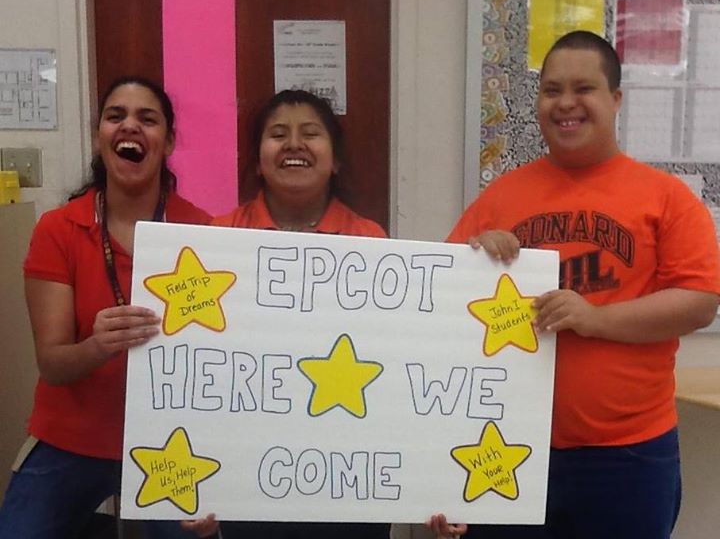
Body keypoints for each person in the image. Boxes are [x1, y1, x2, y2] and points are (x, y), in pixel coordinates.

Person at [428, 31, 720, 539]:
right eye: (552, 90)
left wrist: (595, 318)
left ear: (616, 99)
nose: (566, 103)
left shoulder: (666, 198)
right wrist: (475, 256)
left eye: (584, 88)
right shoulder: (501, 197)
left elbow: (699, 303)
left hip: (627, 455)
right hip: (508, 446)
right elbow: (441, 309)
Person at [0, 76, 218, 538]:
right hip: (71, 436)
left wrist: (224, 476)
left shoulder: (201, 231)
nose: (130, 126)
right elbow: (52, 364)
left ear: (168, 142)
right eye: (116, 116)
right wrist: (97, 346)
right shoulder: (58, 229)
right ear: (99, 136)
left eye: (148, 118)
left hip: (171, 441)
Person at [213, 89, 388, 538]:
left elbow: (391, 359)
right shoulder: (217, 239)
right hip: (246, 472)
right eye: (277, 134)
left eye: (310, 133)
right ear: (257, 161)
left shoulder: (370, 241)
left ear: (336, 160)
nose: (294, 144)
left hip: (348, 474)